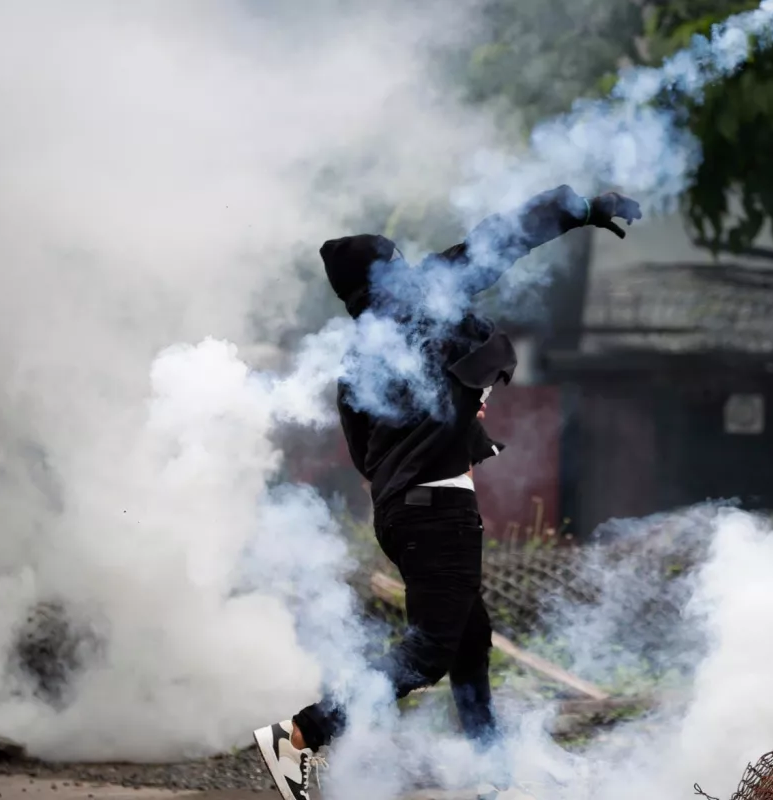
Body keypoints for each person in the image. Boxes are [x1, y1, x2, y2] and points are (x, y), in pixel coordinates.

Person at [254, 185, 642, 800]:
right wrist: (581, 209)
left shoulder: (357, 358)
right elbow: (497, 241)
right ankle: (300, 733)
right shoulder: (422, 306)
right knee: (429, 652)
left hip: (402, 511)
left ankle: (494, 776)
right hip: (438, 511)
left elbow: (365, 456)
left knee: (468, 641)